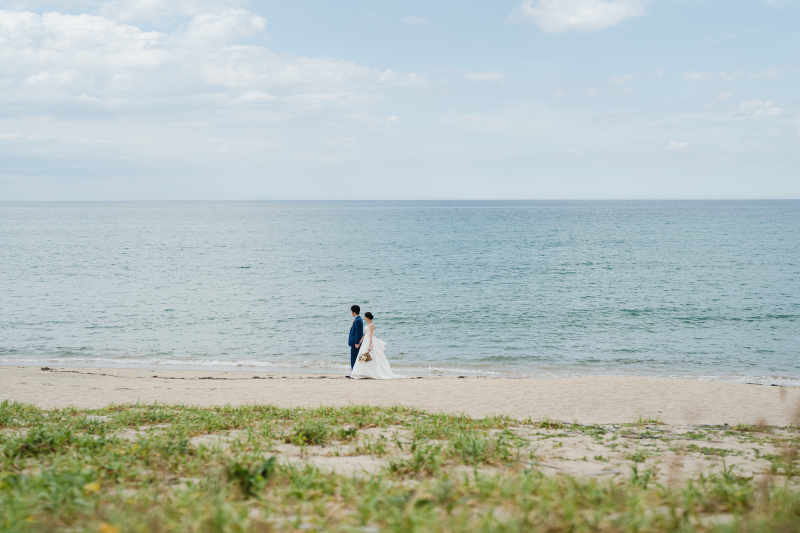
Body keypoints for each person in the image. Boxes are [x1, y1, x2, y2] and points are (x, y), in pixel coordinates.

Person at [350, 312, 405, 379]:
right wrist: (360, 341)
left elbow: (371, 336)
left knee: (369, 356)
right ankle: (362, 372)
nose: (364, 318)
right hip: (365, 341)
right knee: (362, 356)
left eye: (365, 317)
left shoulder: (371, 325)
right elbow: (365, 334)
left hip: (369, 342)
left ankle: (370, 372)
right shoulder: (368, 324)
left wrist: (370, 346)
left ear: (367, 317)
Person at [348, 305, 364, 375]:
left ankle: (354, 373)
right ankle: (354, 372)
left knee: (354, 358)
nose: (351, 313)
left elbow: (358, 332)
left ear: (354, 312)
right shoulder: (357, 319)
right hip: (354, 342)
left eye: (351, 311)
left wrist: (357, 342)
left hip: (355, 342)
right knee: (354, 357)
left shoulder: (358, 320)